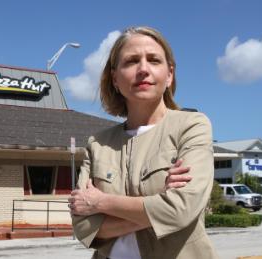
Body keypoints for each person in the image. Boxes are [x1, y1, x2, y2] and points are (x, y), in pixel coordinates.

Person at [69, 26, 218, 259]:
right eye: (131, 61)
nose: (143, 69)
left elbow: (180, 210)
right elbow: (83, 227)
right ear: (115, 78)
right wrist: (156, 206)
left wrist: (101, 202)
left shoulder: (191, 126)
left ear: (169, 75)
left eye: (154, 60)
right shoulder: (97, 144)